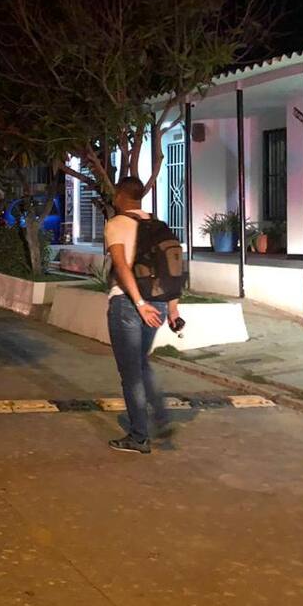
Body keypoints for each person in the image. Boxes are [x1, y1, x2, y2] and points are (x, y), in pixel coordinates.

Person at [104, 176, 183, 454]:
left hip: (128, 304)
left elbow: (121, 266)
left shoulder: (116, 223)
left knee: (131, 373)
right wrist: (172, 309)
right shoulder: (159, 226)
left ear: (120, 196)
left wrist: (138, 303)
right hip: (159, 305)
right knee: (141, 362)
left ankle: (139, 436)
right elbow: (172, 269)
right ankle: (160, 416)